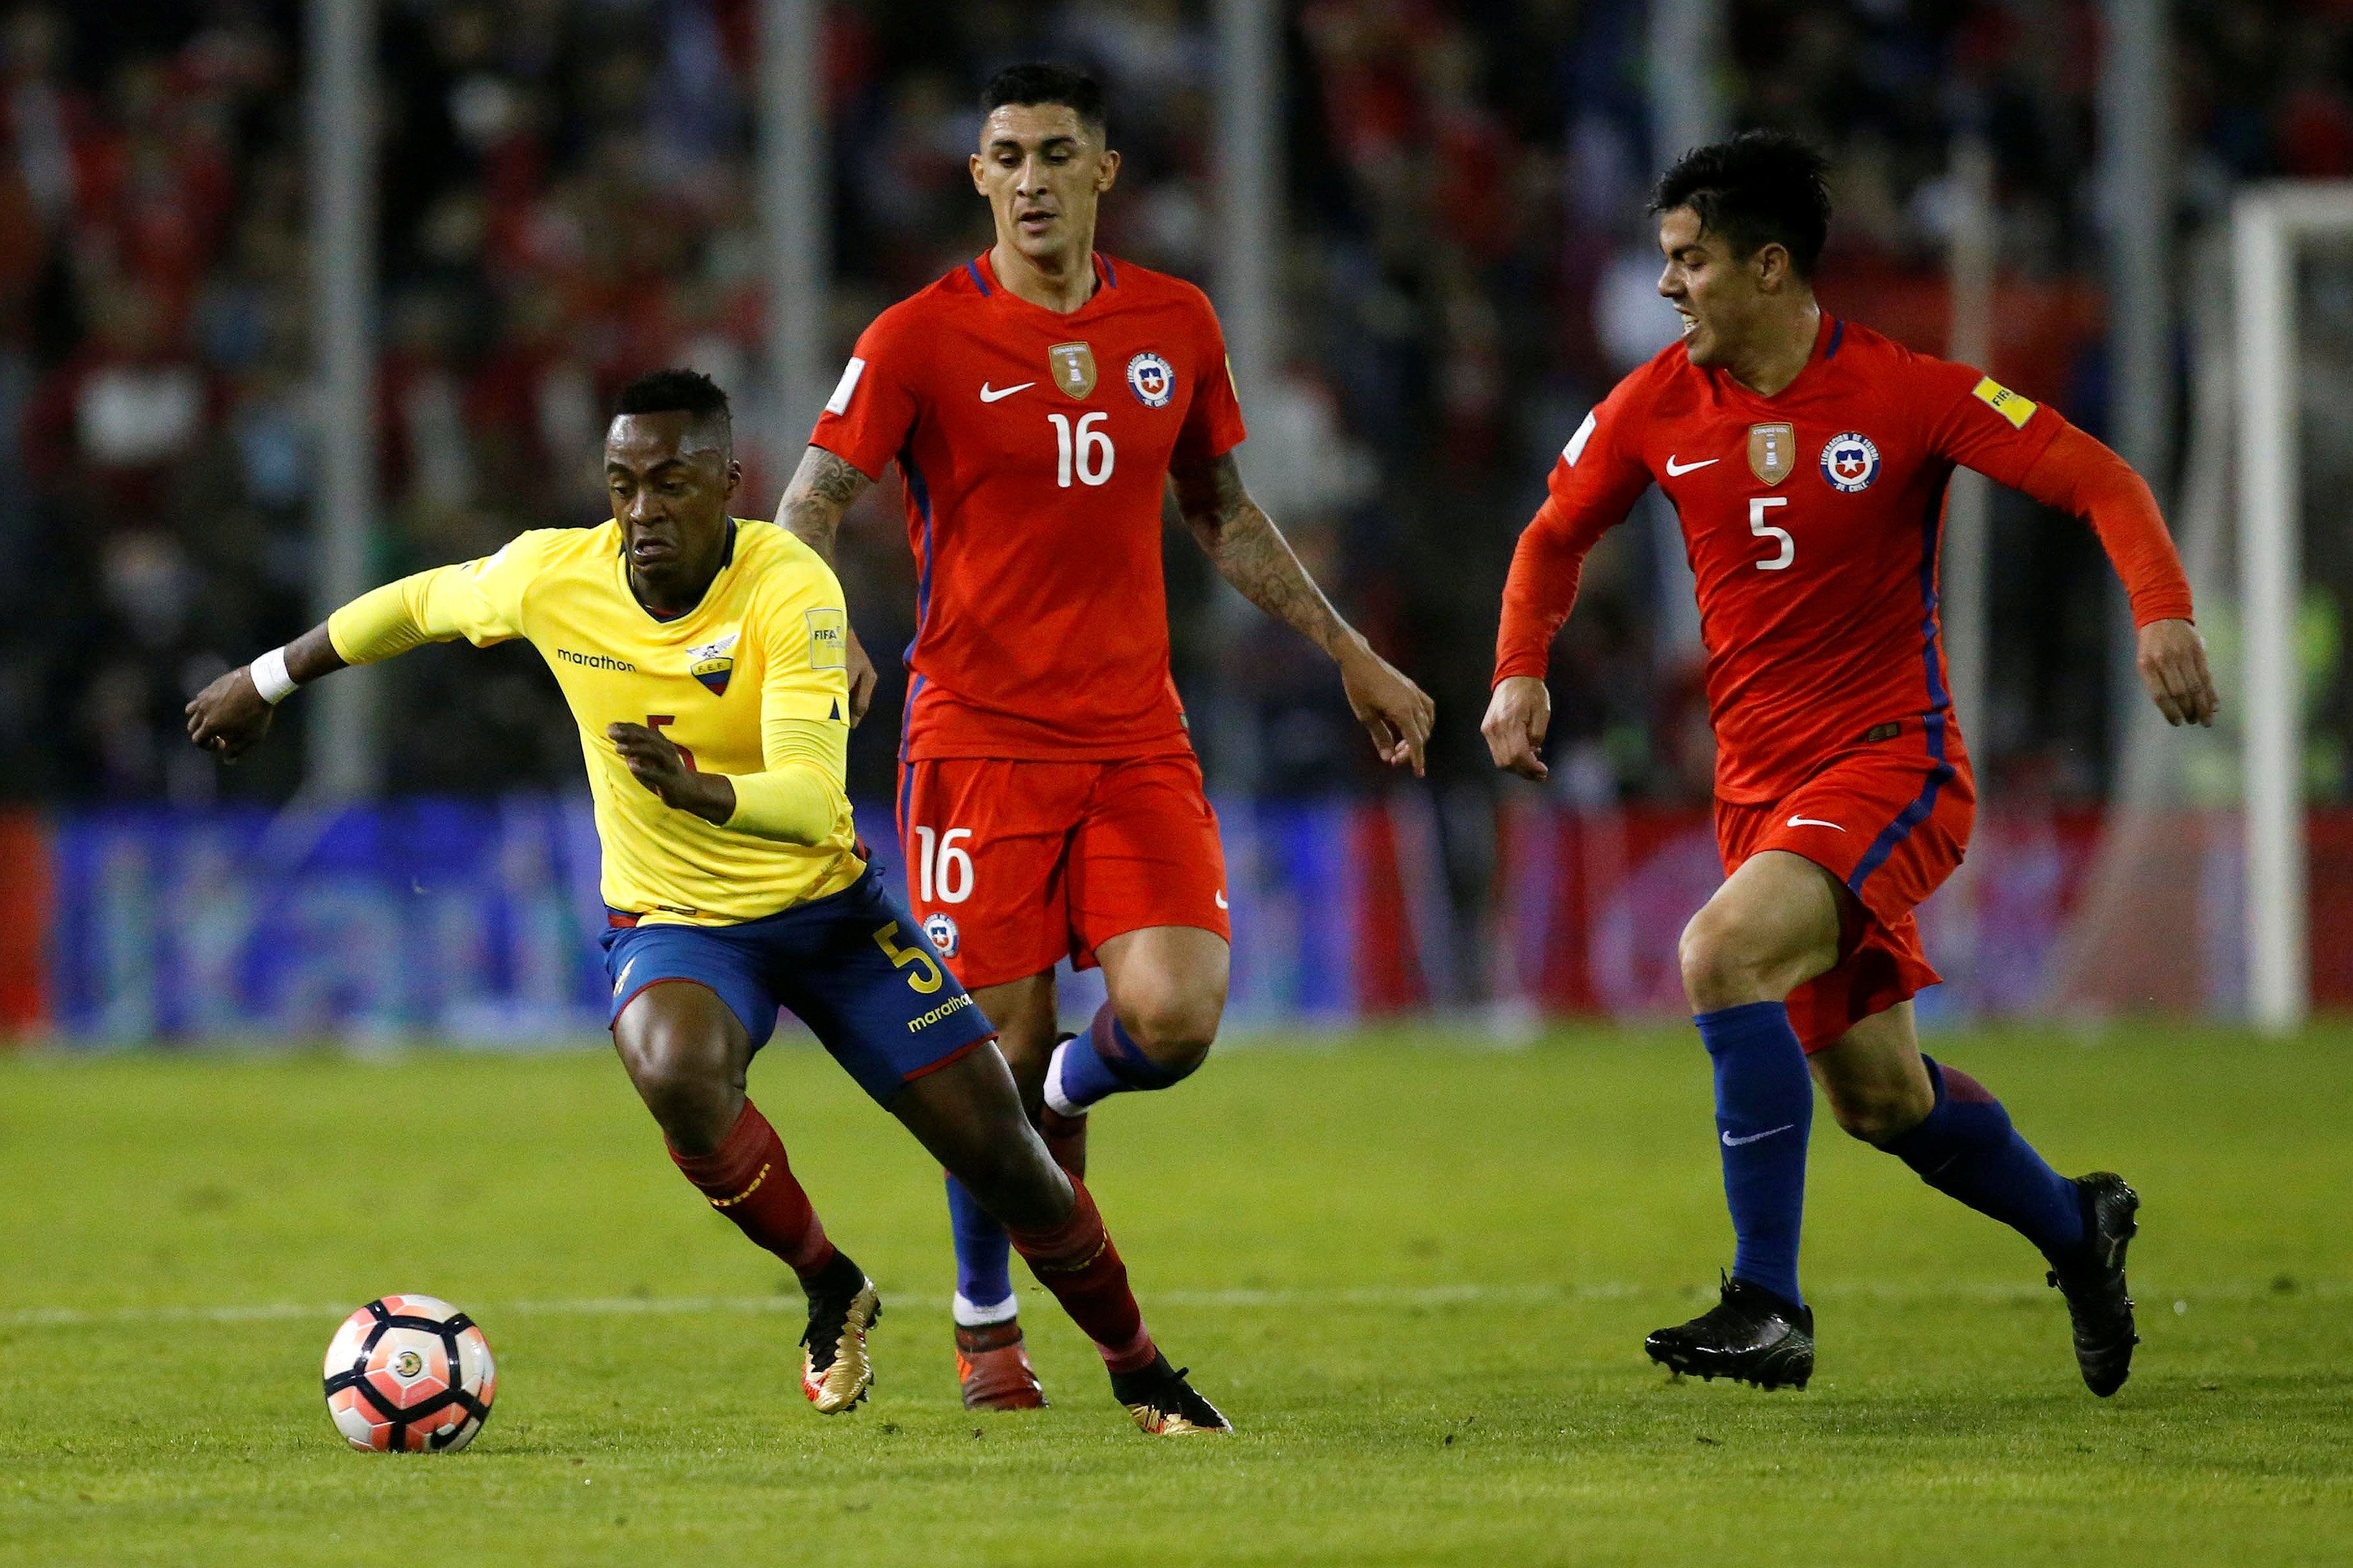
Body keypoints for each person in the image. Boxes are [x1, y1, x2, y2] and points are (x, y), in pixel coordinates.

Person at [184, 369, 1229, 1436]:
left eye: (673, 484)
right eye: (623, 484)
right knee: (674, 1065)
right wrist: (266, 681)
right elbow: (414, 606)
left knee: (1012, 1162)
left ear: (731, 484)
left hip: (832, 917)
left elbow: (814, 792)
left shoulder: (789, 587)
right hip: (677, 922)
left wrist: (704, 790)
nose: (642, 511)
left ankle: (1141, 1370)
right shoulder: (557, 574)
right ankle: (831, 1283)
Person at [1482, 132, 2219, 1395]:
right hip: (1760, 795)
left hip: (1895, 765)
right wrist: (1519, 667)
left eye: (1689, 261)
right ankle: (2076, 1225)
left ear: (1768, 268)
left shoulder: (1908, 393)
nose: (1668, 286)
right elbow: (1552, 536)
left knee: (1718, 951)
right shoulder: (1654, 403)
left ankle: (1768, 1301)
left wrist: (2161, 608)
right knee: (1882, 1101)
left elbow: (2098, 478)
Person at [775, 63, 1435, 1410]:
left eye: (1053, 153)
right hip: (977, 742)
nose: (1027, 177)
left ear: (1102, 172)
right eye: (1003, 154)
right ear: (977, 177)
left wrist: (1349, 653)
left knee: (1176, 1020)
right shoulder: (915, 336)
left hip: (1135, 735)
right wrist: (819, 624)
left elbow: (1225, 513)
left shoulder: (1175, 323)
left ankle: (1072, 1090)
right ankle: (984, 1321)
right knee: (987, 1058)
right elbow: (805, 503)